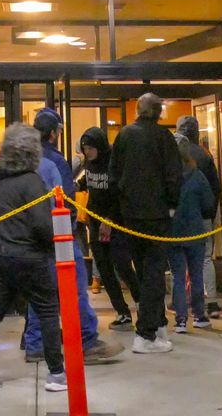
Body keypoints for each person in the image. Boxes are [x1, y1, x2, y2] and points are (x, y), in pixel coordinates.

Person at [0, 123, 67, 393]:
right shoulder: (32, 181)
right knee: (47, 311)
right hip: (29, 257)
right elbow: (44, 226)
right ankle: (56, 373)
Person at [23, 109, 120, 364]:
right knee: (76, 287)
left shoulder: (25, 159)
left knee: (40, 290)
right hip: (60, 235)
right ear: (54, 133)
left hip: (32, 237)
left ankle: (35, 343)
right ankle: (87, 341)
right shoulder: (55, 161)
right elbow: (65, 199)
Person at [110, 93, 182, 354]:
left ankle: (158, 325)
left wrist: (121, 206)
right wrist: (172, 205)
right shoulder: (163, 137)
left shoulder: (124, 135)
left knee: (143, 270)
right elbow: (174, 174)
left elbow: (113, 174)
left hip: (131, 215)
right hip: (156, 214)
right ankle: (146, 333)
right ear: (158, 111)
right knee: (154, 273)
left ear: (139, 110)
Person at [78, 127, 140, 332]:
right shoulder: (89, 164)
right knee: (104, 268)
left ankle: (141, 303)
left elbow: (120, 192)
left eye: (90, 148)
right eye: (85, 148)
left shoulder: (113, 161)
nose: (87, 152)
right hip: (96, 221)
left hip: (116, 221)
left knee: (121, 264)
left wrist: (110, 219)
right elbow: (86, 181)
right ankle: (121, 312)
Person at [174, 115, 222, 310]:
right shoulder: (204, 155)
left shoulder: (172, 159)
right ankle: (211, 301)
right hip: (202, 217)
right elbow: (214, 188)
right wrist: (209, 213)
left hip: (179, 219)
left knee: (180, 260)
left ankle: (183, 303)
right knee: (205, 259)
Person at [167, 141, 215, 332]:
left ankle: (180, 320)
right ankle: (199, 315)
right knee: (196, 276)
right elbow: (208, 202)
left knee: (177, 276)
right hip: (195, 231)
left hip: (173, 233)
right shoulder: (198, 176)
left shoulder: (168, 178)